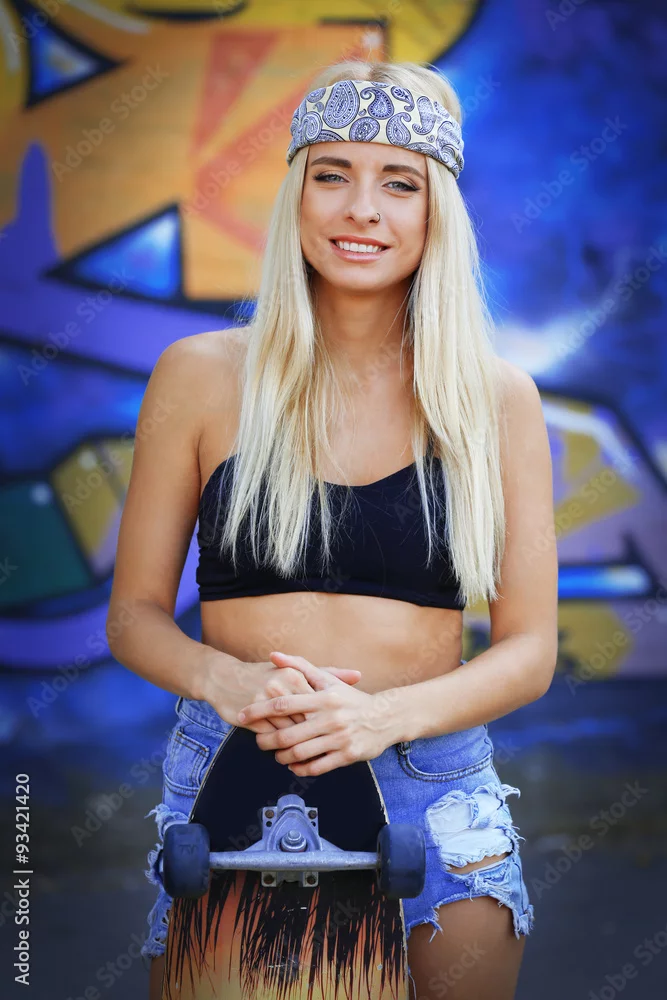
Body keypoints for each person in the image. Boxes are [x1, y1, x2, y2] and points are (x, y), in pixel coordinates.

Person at [107, 59, 558, 1000]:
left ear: (436, 212)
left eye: (399, 183)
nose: (362, 209)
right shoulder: (199, 375)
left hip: (431, 781)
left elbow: (528, 652)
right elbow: (135, 617)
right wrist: (226, 681)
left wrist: (378, 719)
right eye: (332, 175)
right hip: (235, 767)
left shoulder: (493, 399)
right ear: (296, 197)